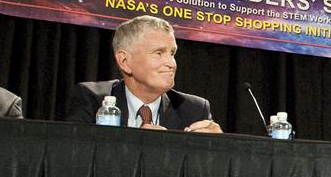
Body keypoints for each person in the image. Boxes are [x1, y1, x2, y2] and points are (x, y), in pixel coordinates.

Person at [65, 16, 221, 133]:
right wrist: (140, 143)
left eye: (172, 53)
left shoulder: (194, 109)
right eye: (158, 53)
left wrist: (216, 148)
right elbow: (74, 157)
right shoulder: (93, 99)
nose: (171, 63)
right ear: (124, 61)